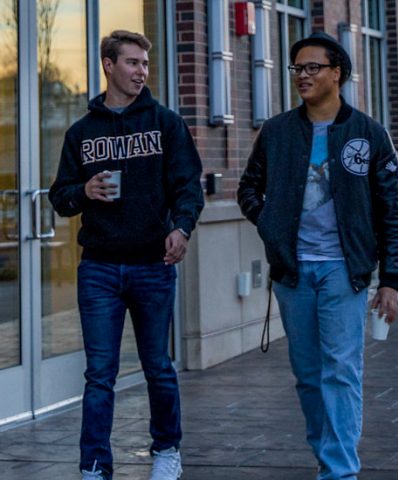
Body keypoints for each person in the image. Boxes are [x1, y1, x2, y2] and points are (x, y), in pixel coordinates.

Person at [237, 32, 398, 479]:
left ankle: (340, 472)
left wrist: (391, 278)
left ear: (338, 73)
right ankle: (327, 457)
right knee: (310, 376)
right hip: (293, 274)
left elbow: (392, 209)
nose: (303, 76)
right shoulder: (276, 132)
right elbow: (248, 188)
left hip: (343, 272)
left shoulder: (367, 133)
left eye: (313, 67)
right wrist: (270, 224)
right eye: (297, 68)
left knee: (341, 372)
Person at [49, 30, 204, 480]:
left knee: (158, 366)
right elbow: (60, 197)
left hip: (153, 265)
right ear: (108, 65)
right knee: (100, 374)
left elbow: (187, 187)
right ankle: (94, 464)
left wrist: (182, 228)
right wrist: (85, 190)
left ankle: (166, 451)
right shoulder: (83, 133)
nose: (141, 72)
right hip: (98, 267)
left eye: (145, 63)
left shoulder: (166, 124)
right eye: (132, 62)